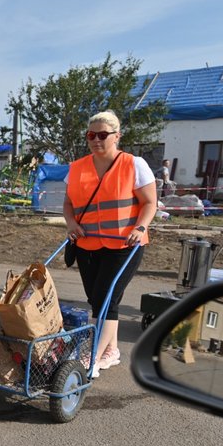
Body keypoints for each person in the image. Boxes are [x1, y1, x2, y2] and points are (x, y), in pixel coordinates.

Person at [63, 110, 157, 377]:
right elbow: (69, 203)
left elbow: (149, 202)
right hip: (87, 244)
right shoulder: (77, 168)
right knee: (97, 299)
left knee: (106, 299)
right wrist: (71, 223)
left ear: (117, 136)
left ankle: (90, 358)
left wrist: (140, 227)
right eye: (91, 135)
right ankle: (111, 350)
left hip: (124, 244)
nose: (96, 140)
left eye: (102, 135)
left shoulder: (133, 165)